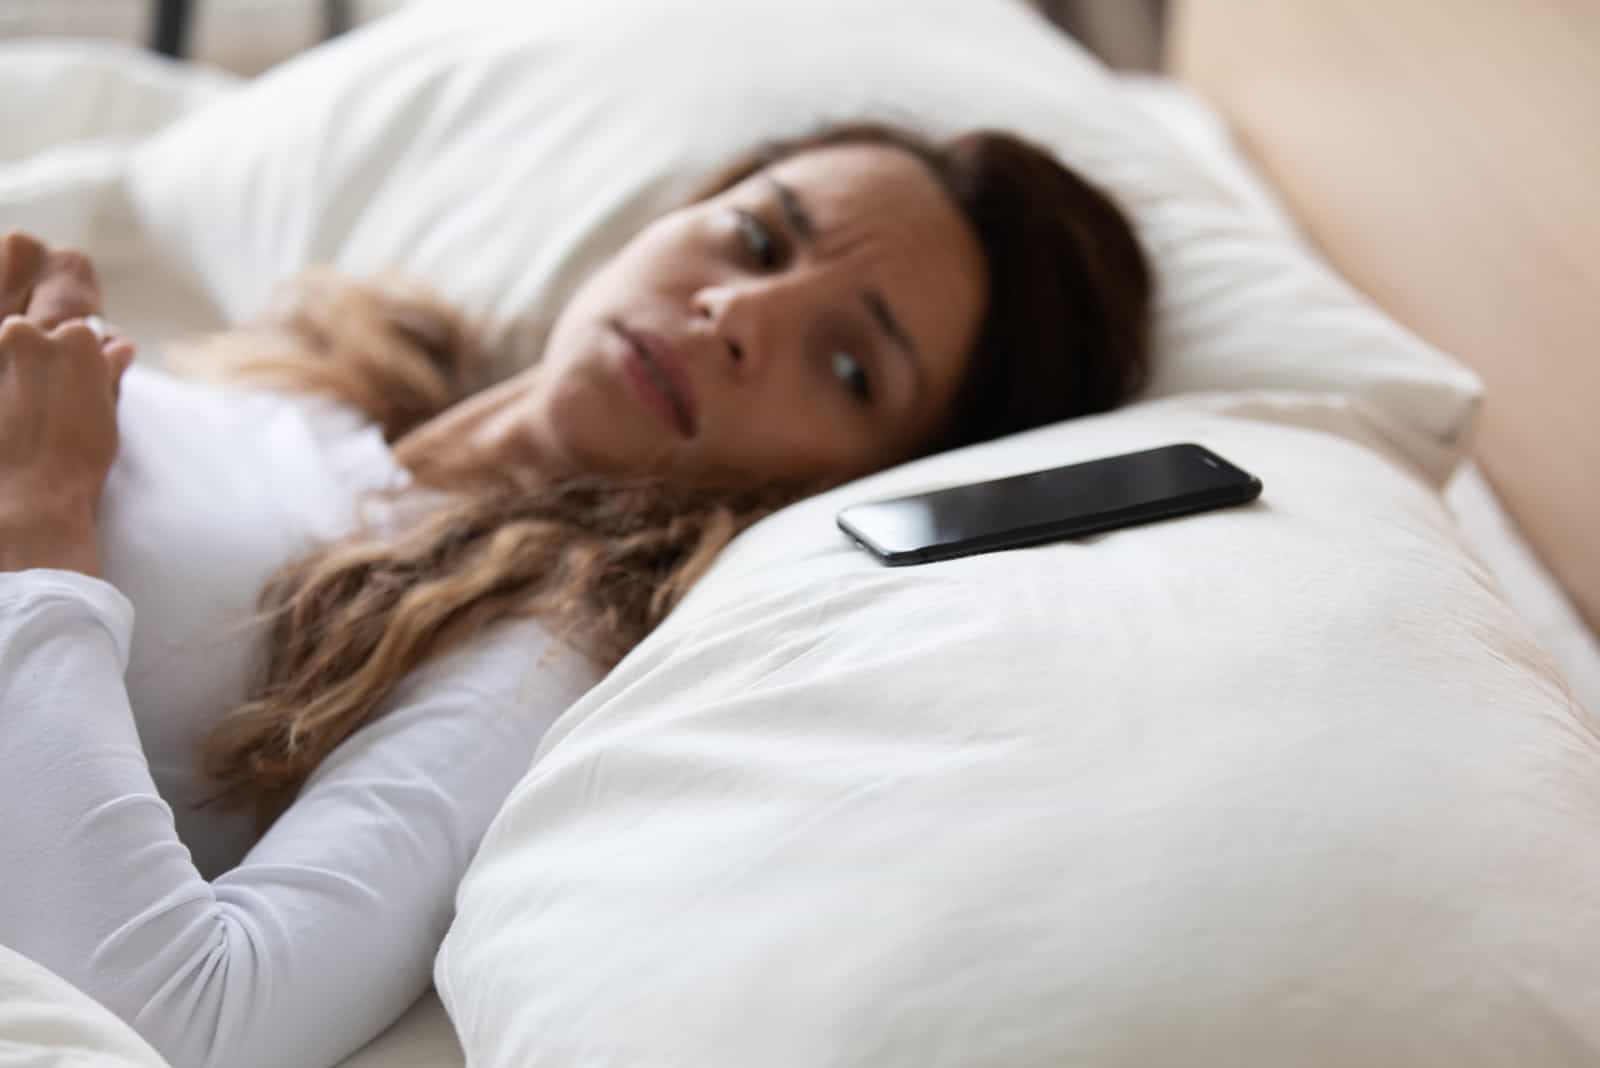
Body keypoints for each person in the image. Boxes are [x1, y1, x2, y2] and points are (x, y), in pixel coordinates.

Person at [0, 121, 1151, 1068]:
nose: (739, 318)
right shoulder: (313, 390)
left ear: (866, 474)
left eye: (848, 366)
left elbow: (200, 1015)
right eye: (755, 238)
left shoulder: (527, 646)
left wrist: (42, 525)